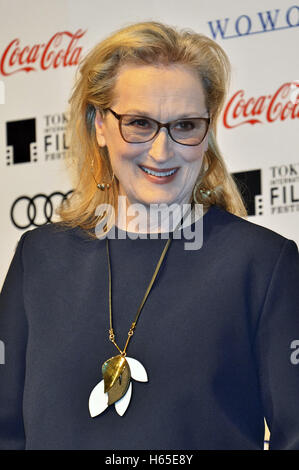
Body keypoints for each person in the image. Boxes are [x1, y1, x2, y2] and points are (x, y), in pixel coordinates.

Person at [0, 21, 298, 451]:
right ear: (99, 125)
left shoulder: (263, 264)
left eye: (185, 125)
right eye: (139, 123)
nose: (162, 151)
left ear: (207, 131)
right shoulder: (40, 256)